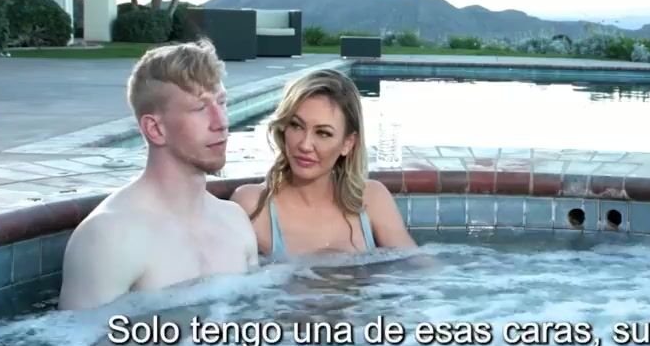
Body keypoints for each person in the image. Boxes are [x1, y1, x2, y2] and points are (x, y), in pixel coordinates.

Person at [58, 40, 259, 311]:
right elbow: (78, 338)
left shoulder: (234, 221)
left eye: (221, 103)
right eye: (200, 108)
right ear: (155, 129)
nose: (221, 122)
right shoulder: (109, 236)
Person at [230, 68, 415, 258]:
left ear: (348, 143)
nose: (305, 145)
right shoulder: (253, 206)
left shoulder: (372, 199)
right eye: (296, 125)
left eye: (323, 133)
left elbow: (419, 267)